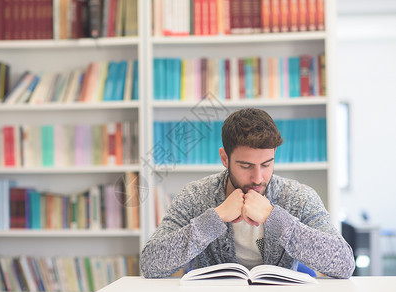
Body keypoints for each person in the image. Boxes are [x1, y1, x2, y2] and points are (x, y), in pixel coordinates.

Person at [140, 108, 355, 279]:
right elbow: (150, 264)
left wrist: (275, 218)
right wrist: (215, 218)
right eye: (246, 166)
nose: (258, 178)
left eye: (267, 164)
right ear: (225, 158)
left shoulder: (298, 197)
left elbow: (344, 264)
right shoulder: (194, 196)